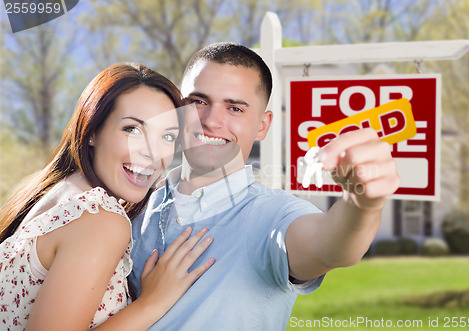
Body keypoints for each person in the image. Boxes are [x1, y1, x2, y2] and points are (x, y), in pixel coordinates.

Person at [129, 42, 399, 330]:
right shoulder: (137, 204)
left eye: (234, 108)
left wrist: (363, 206)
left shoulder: (272, 214)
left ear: (262, 125)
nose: (211, 121)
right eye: (199, 101)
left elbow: (327, 246)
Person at [0, 63, 215, 330]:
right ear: (92, 131)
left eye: (168, 136)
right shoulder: (100, 219)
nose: (152, 153)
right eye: (132, 130)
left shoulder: (54, 192)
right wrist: (152, 303)